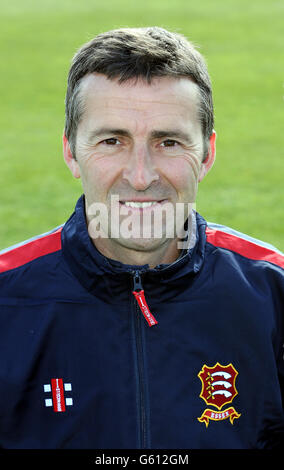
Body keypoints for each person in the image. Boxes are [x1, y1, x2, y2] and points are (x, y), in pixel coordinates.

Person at [0, 26, 283, 450]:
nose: (141, 176)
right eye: (112, 141)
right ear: (70, 152)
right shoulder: (7, 300)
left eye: (168, 142)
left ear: (206, 154)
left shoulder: (273, 292)